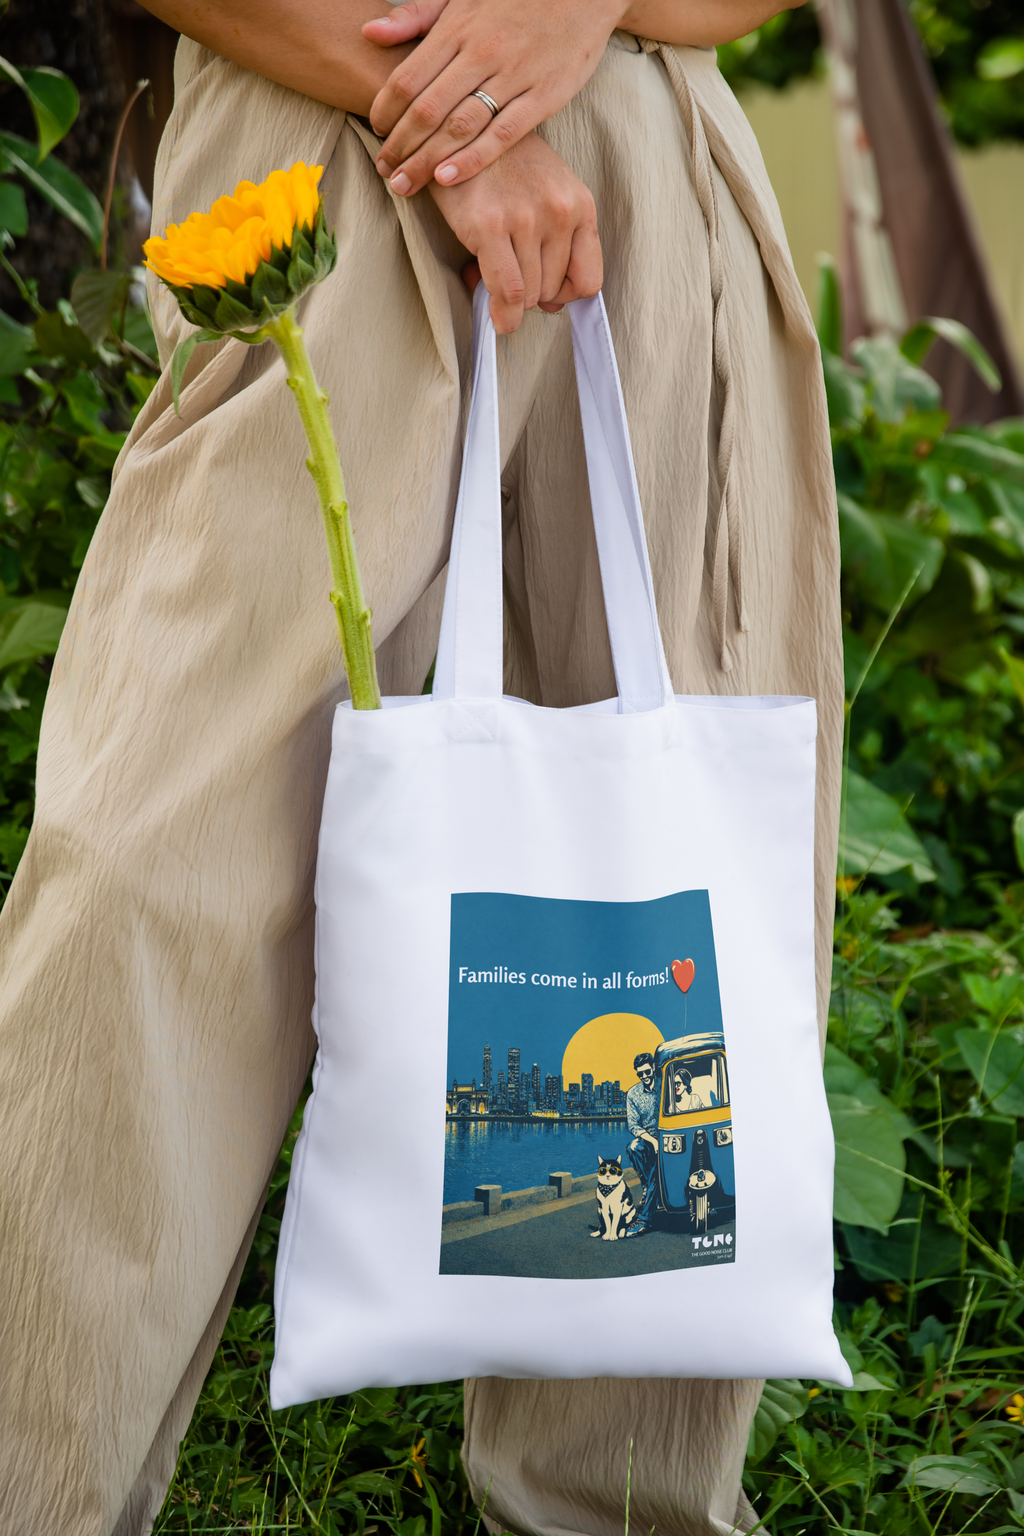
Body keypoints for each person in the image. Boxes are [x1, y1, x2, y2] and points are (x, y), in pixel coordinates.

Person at [0, 0, 844, 1528]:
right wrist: (466, 122)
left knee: (644, 925)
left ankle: (613, 1505)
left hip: (657, 193)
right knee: (140, 877)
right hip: (312, 166)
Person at [624, 1051, 660, 1236]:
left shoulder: (666, 1084)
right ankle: (646, 1185)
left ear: (653, 1067)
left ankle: (644, 1219)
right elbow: (633, 1125)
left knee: (656, 1167)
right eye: (640, 1074)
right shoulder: (633, 1094)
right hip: (648, 1138)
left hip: (669, 1136)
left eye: (647, 1071)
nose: (645, 1076)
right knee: (633, 1147)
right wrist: (652, 1140)